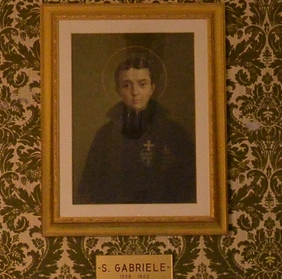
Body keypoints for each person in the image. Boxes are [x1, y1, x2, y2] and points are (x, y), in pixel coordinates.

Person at [76, 47, 196, 205]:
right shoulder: (105, 135)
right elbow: (90, 189)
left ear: (152, 88)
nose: (135, 92)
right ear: (117, 90)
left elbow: (190, 186)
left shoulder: (174, 132)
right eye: (126, 85)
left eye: (142, 84)